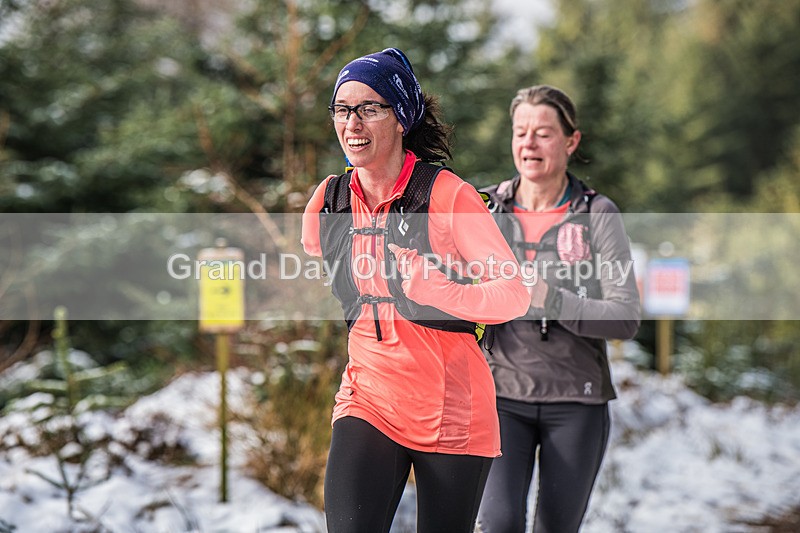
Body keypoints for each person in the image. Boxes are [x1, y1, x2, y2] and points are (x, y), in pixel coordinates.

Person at [301, 48, 530, 533]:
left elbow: (513, 293)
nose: (352, 122)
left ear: (401, 117)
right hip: (369, 396)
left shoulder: (448, 196)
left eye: (370, 108)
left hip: (451, 407)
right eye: (342, 109)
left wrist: (438, 287)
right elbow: (317, 257)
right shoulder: (330, 199)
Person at [476, 85, 641, 533]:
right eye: (521, 132)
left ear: (571, 142)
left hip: (576, 401)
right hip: (500, 396)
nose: (529, 143)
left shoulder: (598, 215)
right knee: (498, 524)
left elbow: (625, 317)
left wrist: (551, 299)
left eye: (544, 133)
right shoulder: (485, 209)